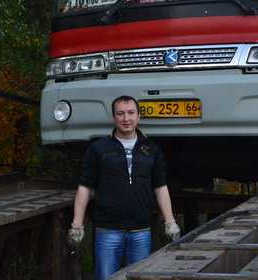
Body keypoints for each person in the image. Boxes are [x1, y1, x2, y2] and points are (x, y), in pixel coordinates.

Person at [68, 95, 181, 280]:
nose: (126, 118)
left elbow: (160, 187)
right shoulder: (98, 148)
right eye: (120, 114)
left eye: (130, 113)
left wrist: (170, 222)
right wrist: (77, 225)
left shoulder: (152, 149)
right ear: (113, 118)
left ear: (138, 116)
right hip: (107, 231)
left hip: (141, 231)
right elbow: (85, 187)